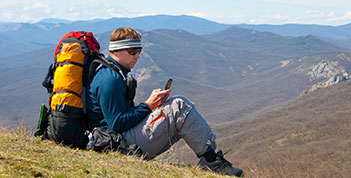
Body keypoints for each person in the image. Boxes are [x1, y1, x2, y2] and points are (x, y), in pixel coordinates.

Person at [86, 27, 243, 177]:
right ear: (117, 51)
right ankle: (212, 162)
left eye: (139, 51)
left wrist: (152, 106)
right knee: (180, 106)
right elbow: (117, 123)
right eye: (132, 51)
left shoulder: (110, 72)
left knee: (177, 113)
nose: (137, 56)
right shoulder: (110, 80)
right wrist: (148, 106)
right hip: (117, 145)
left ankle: (211, 159)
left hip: (114, 141)